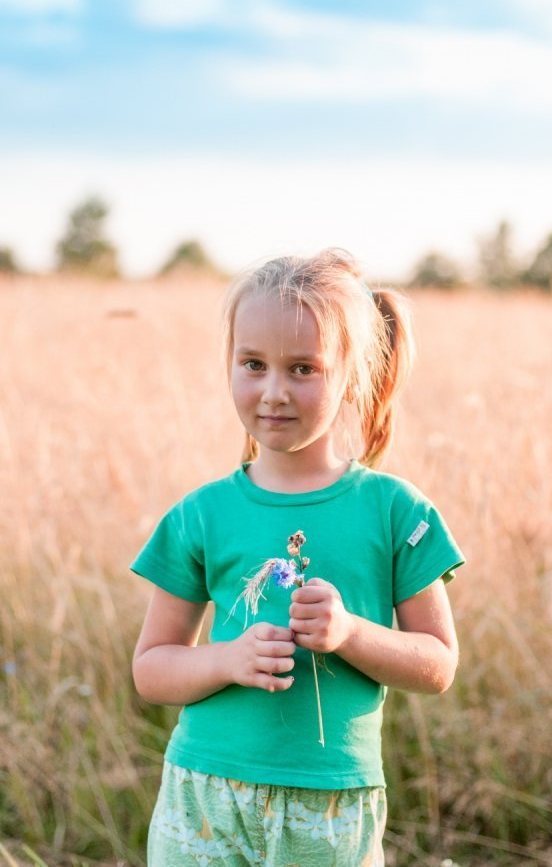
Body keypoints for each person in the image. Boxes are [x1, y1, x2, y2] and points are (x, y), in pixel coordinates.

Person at [130, 248, 465, 866]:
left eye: (303, 368)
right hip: (204, 798)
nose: (273, 392)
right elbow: (151, 669)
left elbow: (438, 665)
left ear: (351, 376)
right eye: (253, 364)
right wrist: (228, 659)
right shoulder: (201, 514)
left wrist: (351, 633)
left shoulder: (395, 511)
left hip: (331, 807)